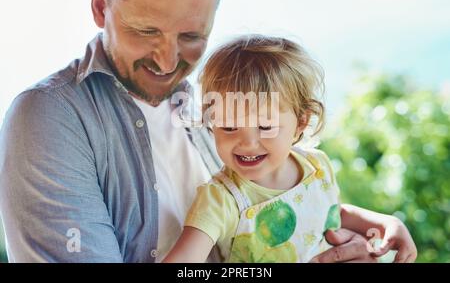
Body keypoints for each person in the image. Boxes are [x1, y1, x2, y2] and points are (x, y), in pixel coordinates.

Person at [0, 0, 416, 262]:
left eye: (191, 36)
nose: (167, 62)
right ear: (99, 6)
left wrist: (367, 230)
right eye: (146, 31)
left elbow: (279, 204)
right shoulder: (49, 117)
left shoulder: (209, 109)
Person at [162, 35, 417, 263]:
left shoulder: (316, 165)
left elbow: (329, 214)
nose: (247, 142)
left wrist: (385, 223)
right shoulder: (220, 200)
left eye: (265, 126)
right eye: (229, 127)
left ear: (300, 123)